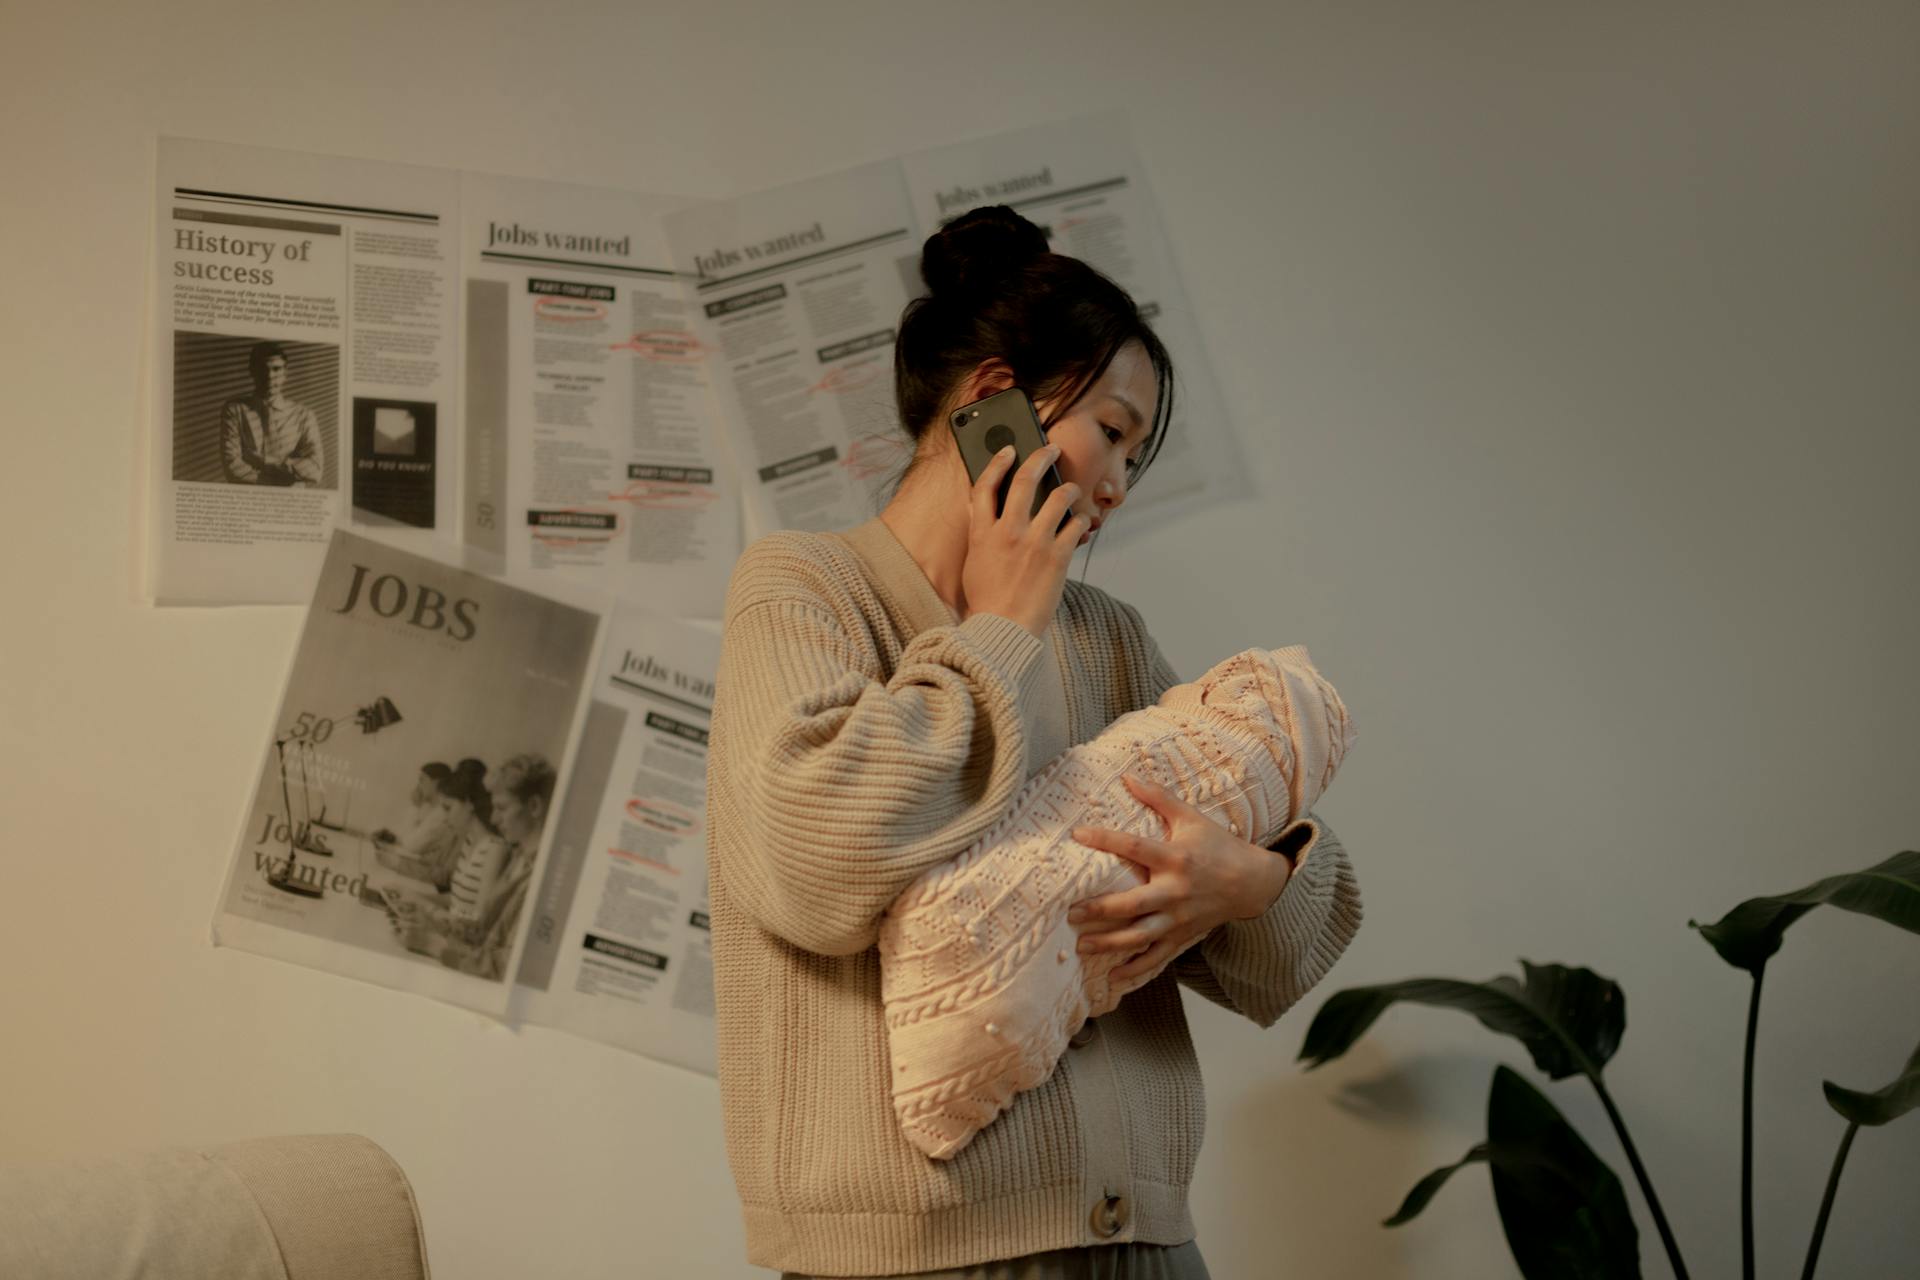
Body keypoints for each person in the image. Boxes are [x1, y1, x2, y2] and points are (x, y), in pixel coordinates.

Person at [705, 205, 1364, 1279]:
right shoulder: (802, 589)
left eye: (1136, 459)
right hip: (914, 1263)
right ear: (990, 397)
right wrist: (998, 633)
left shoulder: (1107, 639)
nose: (1114, 485)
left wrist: (1248, 879)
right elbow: (808, 866)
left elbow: (1289, 953)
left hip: (1148, 1246)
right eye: (1110, 430)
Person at [397, 754, 557, 981]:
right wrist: (432, 922)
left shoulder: (542, 876)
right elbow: (485, 933)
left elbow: (507, 967)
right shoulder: (519, 858)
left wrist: (435, 946)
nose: (493, 818)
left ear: (534, 806)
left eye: (502, 808)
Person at [220, 341, 323, 486]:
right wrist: (283, 478)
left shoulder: (304, 415)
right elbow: (232, 467)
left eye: (276, 369)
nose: (269, 376)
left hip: (290, 501)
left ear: (285, 373)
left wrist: (265, 461)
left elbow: (315, 470)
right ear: (252, 371)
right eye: (263, 368)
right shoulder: (235, 410)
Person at [371, 761, 464, 890]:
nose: (418, 786)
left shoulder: (441, 814)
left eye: (422, 780)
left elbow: (409, 846)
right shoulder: (432, 809)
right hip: (424, 875)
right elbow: (407, 842)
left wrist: (415, 806)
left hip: (429, 882)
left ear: (436, 783)